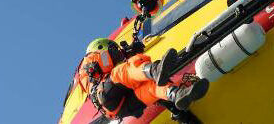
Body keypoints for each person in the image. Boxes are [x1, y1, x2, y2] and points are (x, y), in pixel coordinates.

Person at [78, 38, 209, 120]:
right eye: (112, 48)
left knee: (151, 88)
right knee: (128, 68)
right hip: (105, 94)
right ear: (100, 47)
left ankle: (177, 94)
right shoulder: (90, 59)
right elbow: (107, 60)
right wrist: (126, 52)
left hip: (119, 109)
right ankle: (154, 70)